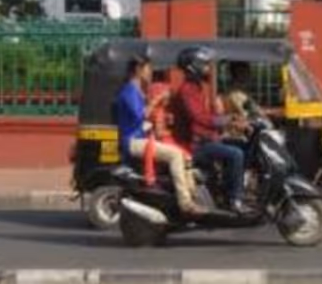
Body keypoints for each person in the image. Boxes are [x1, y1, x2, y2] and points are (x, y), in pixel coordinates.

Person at [112, 53, 203, 215]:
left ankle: (194, 195)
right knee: (175, 155)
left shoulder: (137, 90)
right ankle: (185, 203)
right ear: (138, 70)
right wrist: (157, 99)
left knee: (184, 155)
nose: (150, 72)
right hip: (133, 141)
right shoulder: (129, 91)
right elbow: (141, 115)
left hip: (141, 137)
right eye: (148, 69)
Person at [172, 46, 250, 214]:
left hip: (205, 138)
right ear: (194, 67)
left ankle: (232, 189)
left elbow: (209, 115)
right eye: (205, 65)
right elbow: (199, 118)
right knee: (236, 154)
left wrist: (233, 119)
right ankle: (234, 199)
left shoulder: (199, 88)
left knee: (244, 146)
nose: (208, 68)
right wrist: (227, 121)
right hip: (194, 144)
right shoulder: (187, 91)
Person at [223, 61, 263, 140]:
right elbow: (249, 114)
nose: (249, 75)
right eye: (246, 71)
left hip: (243, 132)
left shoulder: (241, 92)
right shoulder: (236, 94)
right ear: (238, 73)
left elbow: (255, 110)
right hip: (238, 135)